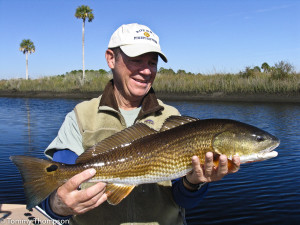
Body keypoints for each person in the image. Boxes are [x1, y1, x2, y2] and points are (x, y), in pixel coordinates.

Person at [41, 23, 240, 225]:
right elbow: (55, 194)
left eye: (152, 63)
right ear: (111, 58)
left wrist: (194, 182)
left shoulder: (173, 118)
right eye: (136, 60)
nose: (146, 71)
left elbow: (182, 200)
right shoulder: (80, 116)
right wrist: (59, 205)